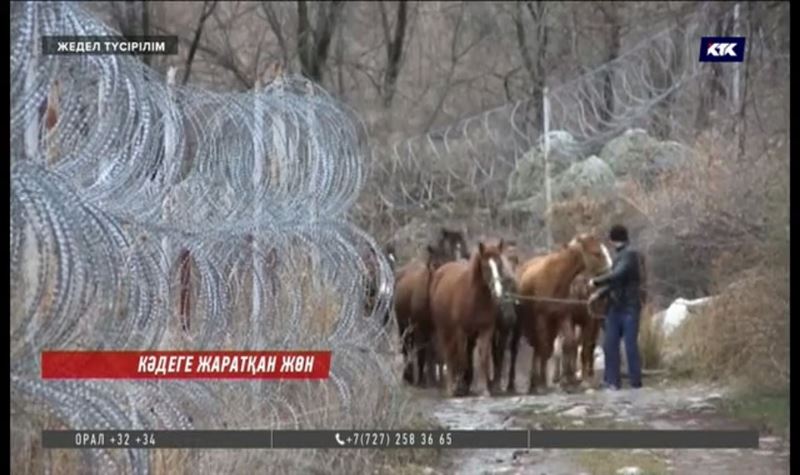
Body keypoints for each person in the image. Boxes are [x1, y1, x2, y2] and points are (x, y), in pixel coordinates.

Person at [588, 224, 643, 390]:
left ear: (612, 240)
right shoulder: (621, 255)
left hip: (629, 308)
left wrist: (596, 282)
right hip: (615, 307)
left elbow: (618, 275)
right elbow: (616, 282)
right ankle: (612, 382)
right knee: (609, 344)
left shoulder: (630, 255)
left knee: (630, 345)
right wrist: (599, 294)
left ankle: (635, 382)